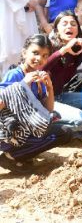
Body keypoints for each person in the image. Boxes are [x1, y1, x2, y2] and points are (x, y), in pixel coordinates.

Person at [0, 34, 72, 173]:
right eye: (35, 53)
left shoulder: (38, 75)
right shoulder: (15, 74)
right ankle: (10, 157)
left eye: (45, 56)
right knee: (60, 133)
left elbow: (48, 110)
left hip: (25, 127)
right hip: (10, 131)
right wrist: (23, 84)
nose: (40, 59)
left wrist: (50, 88)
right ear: (24, 52)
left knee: (62, 129)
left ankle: (21, 153)